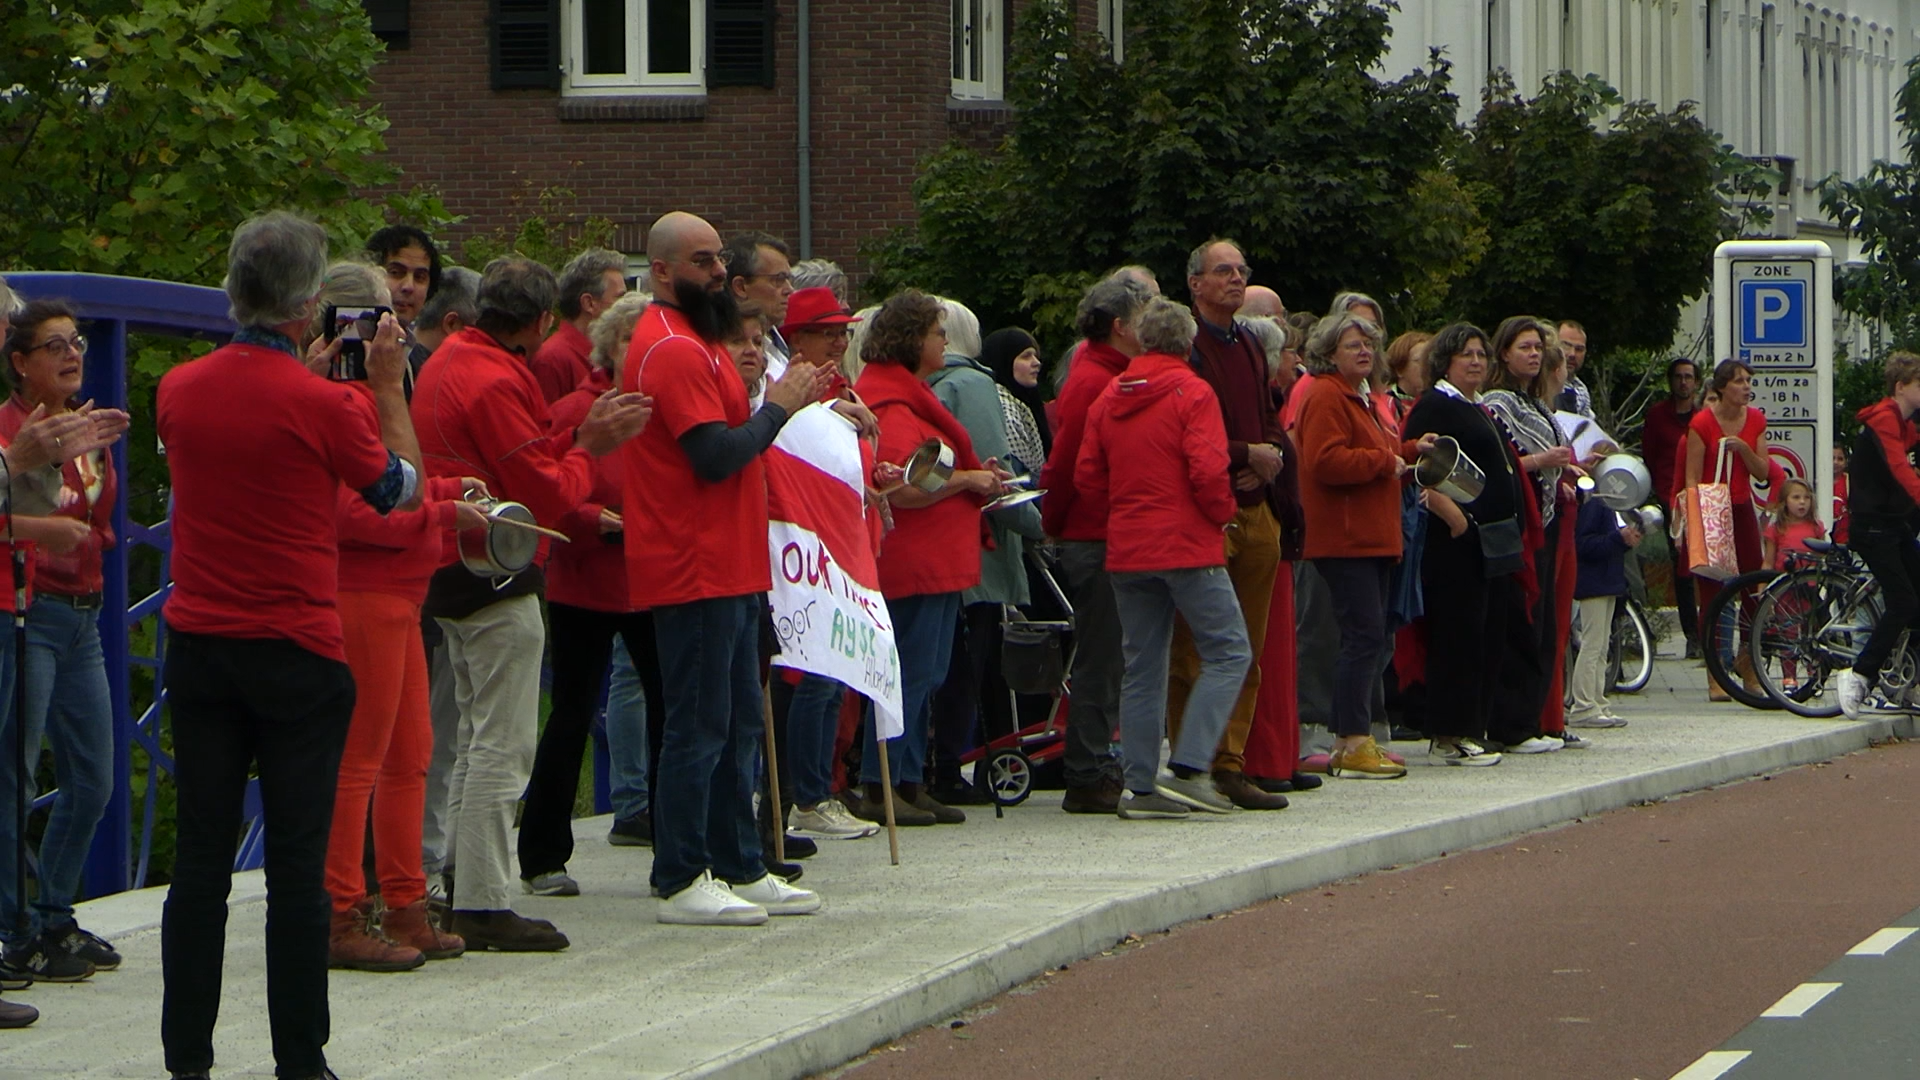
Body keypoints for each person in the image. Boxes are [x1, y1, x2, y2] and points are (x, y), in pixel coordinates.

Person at [157, 211, 420, 1080]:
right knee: (298, 869)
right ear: (309, 306)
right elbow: (398, 492)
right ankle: (300, 1060)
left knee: (200, 864)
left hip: (201, 642)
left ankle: (187, 1058)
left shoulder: (179, 389)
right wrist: (386, 389)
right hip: (297, 646)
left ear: (235, 291)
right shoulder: (327, 403)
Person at [412, 255, 650, 947]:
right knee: (501, 742)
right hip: (492, 569)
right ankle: (482, 901)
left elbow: (522, 458)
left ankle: (459, 881)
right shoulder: (493, 377)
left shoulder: (452, 359)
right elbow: (545, 494)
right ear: (544, 320)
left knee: (471, 735)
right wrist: (588, 446)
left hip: (448, 565)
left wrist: (569, 440)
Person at [621, 211, 830, 924]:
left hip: (730, 561)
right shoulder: (672, 347)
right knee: (700, 723)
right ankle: (682, 874)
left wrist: (765, 408)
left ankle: (739, 861)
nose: (718, 272)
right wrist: (778, 410)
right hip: (695, 563)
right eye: (702, 261)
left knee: (738, 721)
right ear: (660, 271)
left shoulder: (698, 340)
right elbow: (714, 456)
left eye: (718, 259)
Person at [301, 264, 472, 972]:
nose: (393, 328)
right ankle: (341, 910)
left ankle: (404, 901)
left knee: (408, 756)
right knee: (361, 759)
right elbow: (359, 513)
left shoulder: (373, 392)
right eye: (378, 317)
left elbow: (399, 491)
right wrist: (442, 511)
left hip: (399, 594)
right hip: (365, 593)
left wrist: (445, 493)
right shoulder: (345, 398)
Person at [1075, 296, 1250, 818]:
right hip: (1187, 541)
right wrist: (1222, 514)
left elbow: (1087, 476)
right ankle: (1190, 767)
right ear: (1188, 342)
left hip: (1129, 543)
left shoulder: (1110, 395)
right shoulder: (1193, 391)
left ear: (1143, 339)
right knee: (1229, 650)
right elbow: (1207, 469)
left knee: (1142, 665)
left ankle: (1140, 786)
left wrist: (1123, 513)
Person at [518, 290, 669, 893]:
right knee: (571, 713)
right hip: (585, 578)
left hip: (653, 579)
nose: (640, 349)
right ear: (608, 345)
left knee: (670, 711)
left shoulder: (669, 409)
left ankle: (675, 848)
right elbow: (546, 484)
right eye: (630, 338)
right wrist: (588, 519)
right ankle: (542, 855)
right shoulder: (575, 409)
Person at [0, 302, 124, 982]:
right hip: (31, 608)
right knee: (15, 775)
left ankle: (54, 912)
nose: (73, 353)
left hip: (83, 613)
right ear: (20, 363)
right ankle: (17, 929)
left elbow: (99, 520)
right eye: (55, 346)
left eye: (76, 342)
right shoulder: (11, 432)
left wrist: (95, 534)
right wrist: (46, 532)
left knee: (94, 777)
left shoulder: (85, 427)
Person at [849, 290, 1005, 827]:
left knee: (925, 673)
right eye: (937, 333)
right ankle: (883, 783)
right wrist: (967, 479)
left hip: (931, 563)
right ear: (913, 339)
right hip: (913, 563)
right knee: (909, 674)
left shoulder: (905, 396)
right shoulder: (893, 406)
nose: (944, 341)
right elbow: (904, 487)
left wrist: (969, 476)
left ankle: (908, 782)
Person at [1172, 239, 1289, 810]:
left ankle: (1231, 761)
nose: (1236, 279)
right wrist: (1245, 454)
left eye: (1242, 270)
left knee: (1248, 645)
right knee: (1194, 647)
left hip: (1256, 507)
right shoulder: (1185, 347)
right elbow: (1187, 429)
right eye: (1223, 271)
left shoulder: (1248, 343)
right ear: (1195, 283)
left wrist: (1269, 453)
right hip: (1208, 512)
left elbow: (1269, 416)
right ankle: (1189, 760)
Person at [1294, 311, 1427, 779]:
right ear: (1329, 353)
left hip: (1372, 538)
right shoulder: (1326, 395)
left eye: (1369, 344)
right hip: (1345, 539)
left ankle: (1351, 738)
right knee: (1361, 637)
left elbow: (1379, 453)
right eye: (1353, 345)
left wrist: (1410, 451)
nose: (1365, 352)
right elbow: (1325, 461)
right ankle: (1351, 740)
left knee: (1367, 637)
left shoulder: (1362, 397)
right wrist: (1384, 462)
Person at [1036, 275, 1149, 813]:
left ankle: (1096, 762)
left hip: (1102, 530)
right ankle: (1086, 770)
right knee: (1102, 659)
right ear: (1121, 326)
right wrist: (1056, 521)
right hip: (1096, 533)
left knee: (1110, 657)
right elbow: (1065, 463)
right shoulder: (1095, 381)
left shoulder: (1106, 374)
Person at [926, 300, 1045, 808]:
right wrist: (1039, 526)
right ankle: (947, 768)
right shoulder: (972, 386)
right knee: (964, 666)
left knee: (937, 662)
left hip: (934, 541)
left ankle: (929, 766)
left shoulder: (924, 385)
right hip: (978, 548)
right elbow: (996, 472)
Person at [770, 292, 879, 843]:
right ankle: (805, 796)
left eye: (844, 332)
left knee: (834, 678)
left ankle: (819, 789)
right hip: (807, 549)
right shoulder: (793, 392)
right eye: (827, 332)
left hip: (843, 546)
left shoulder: (840, 391)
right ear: (797, 339)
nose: (839, 342)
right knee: (813, 678)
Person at [1399, 323, 1514, 767]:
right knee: (1455, 635)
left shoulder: (1476, 406)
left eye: (1481, 354)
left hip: (1489, 542)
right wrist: (1455, 518)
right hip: (1451, 542)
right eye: (1467, 354)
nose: (1476, 361)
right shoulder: (1435, 405)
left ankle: (1472, 727)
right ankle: (1448, 734)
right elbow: (1421, 472)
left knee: (1481, 634)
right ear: (1445, 361)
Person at [1481, 317, 1573, 753]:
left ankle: (1533, 718)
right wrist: (1543, 461)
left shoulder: (1534, 403)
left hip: (1547, 517)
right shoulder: (1498, 403)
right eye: (1524, 347)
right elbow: (1500, 462)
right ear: (1504, 353)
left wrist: (1563, 472)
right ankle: (1511, 723)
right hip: (1519, 521)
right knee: (1523, 619)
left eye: (1537, 348)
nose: (1534, 355)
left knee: (1544, 623)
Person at [1836, 352, 1920, 718]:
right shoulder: (1885, 418)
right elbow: (1900, 468)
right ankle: (1858, 675)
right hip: (1872, 526)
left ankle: (1906, 683)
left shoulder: (1904, 422)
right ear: (1901, 387)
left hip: (1892, 522)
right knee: (1903, 602)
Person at [1684, 359, 1769, 700]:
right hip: (1711, 508)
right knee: (1712, 592)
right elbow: (1692, 477)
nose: (1746, 387)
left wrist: (1744, 449)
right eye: (1739, 381)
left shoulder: (1756, 419)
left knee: (1752, 586)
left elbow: (1762, 471)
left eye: (1748, 380)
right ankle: (1714, 671)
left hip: (1741, 506)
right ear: (1721, 388)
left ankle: (1748, 665)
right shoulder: (1702, 423)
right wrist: (1696, 523)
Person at [1641, 357, 1700, 657]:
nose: (1683, 382)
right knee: (1682, 565)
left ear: (1696, 382)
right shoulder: (1657, 416)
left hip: (1701, 497)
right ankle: (1692, 635)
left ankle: (1709, 633)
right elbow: (1649, 454)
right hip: (1670, 497)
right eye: (1678, 377)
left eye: (1688, 377)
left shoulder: (1703, 417)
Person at [1568, 491, 1639, 728]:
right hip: (1594, 582)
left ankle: (1597, 701)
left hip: (1607, 581)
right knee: (1592, 645)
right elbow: (1582, 544)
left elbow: (1606, 542)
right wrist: (1619, 539)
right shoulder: (1596, 503)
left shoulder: (1608, 503)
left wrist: (1624, 540)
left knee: (1600, 646)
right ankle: (1583, 706)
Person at [529, 248, 628, 404]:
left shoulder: (607, 353)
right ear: (589, 303)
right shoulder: (552, 360)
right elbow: (548, 419)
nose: (625, 307)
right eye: (620, 299)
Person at [723, 232, 797, 402]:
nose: (789, 290)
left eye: (788, 279)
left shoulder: (777, 340)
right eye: (778, 280)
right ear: (741, 287)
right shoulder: (721, 346)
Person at [365, 224, 442, 370]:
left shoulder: (424, 362)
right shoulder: (340, 349)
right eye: (396, 272)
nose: (408, 286)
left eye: (419, 277)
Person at [981, 327, 1051, 468]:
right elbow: (1023, 470)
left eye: (1035, 355)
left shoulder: (1026, 402)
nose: (1036, 362)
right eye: (1026, 356)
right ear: (1005, 362)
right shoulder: (1003, 409)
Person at [412, 266, 481, 359]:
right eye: (479, 333)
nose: (485, 345)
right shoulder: (400, 364)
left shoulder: (400, 354)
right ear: (452, 324)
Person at [1764, 477, 1824, 571]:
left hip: (1810, 577)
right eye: (1796, 497)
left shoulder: (1817, 526)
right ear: (1785, 501)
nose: (1802, 502)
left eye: (1807, 497)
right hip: (1784, 578)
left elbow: (1822, 559)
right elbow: (1768, 563)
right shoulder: (1776, 529)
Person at [1556, 320, 1594, 418]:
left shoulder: (1581, 389)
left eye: (1579, 349)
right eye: (1566, 346)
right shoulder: (1541, 384)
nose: (1572, 354)